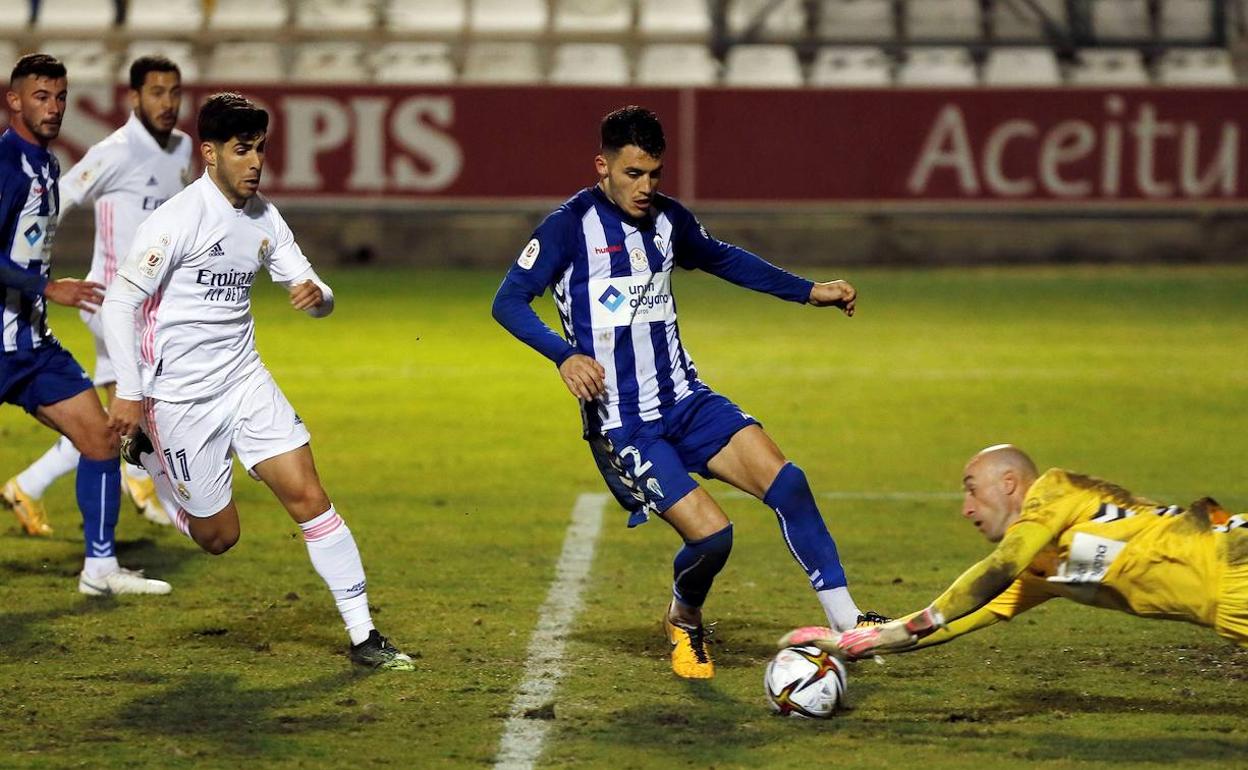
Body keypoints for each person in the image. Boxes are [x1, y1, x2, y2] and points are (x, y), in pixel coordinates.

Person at [492, 105, 883, 680]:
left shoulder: (669, 221)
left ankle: (848, 622)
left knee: (789, 485)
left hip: (687, 400)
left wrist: (808, 292)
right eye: (632, 174)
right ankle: (685, 618)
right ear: (602, 166)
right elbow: (508, 300)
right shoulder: (566, 228)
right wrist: (565, 354)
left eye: (655, 174)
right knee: (713, 537)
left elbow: (722, 257)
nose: (646, 187)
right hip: (625, 423)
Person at [99, 92, 413, 670]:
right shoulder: (175, 221)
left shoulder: (265, 218)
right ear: (210, 153)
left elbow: (319, 294)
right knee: (220, 538)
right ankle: (146, 462)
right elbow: (120, 303)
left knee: (310, 497)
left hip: (245, 381)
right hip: (181, 398)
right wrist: (130, 391)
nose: (255, 163)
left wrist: (319, 297)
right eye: (243, 150)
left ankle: (365, 635)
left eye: (262, 150)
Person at [782, 444, 1248, 659]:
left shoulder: (1056, 490)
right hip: (1228, 606)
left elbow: (997, 569)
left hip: (1236, 562)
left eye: (971, 490)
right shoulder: (1042, 571)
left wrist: (909, 628)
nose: (966, 509)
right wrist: (853, 642)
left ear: (1009, 483)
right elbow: (962, 619)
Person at [0, 54, 170, 594]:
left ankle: (99, 569)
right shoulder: (5, 165)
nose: (52, 108)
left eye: (59, 97)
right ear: (14, 101)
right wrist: (47, 286)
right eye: (40, 97)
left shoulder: (48, 167)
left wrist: (42, 289)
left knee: (99, 440)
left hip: (32, 344)